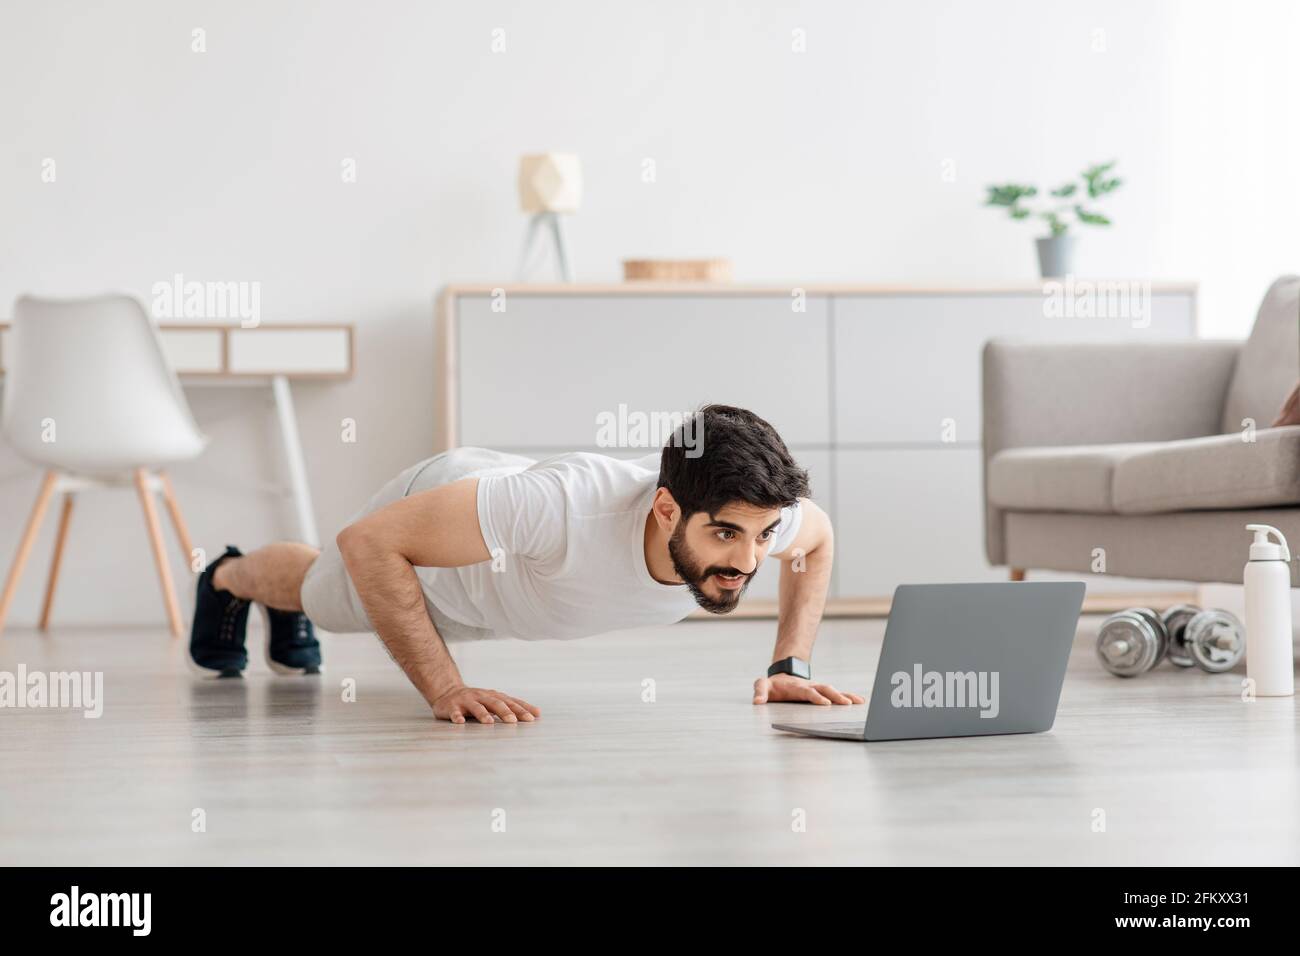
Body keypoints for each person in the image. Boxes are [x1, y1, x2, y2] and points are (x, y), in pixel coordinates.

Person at [188, 404, 863, 723]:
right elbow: (366, 543)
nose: (747, 562)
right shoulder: (568, 508)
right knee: (322, 599)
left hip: (505, 587)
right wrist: (446, 689)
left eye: (765, 536)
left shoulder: (761, 518)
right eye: (725, 536)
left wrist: (789, 668)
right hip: (446, 538)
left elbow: (819, 542)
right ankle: (224, 578)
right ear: (665, 510)